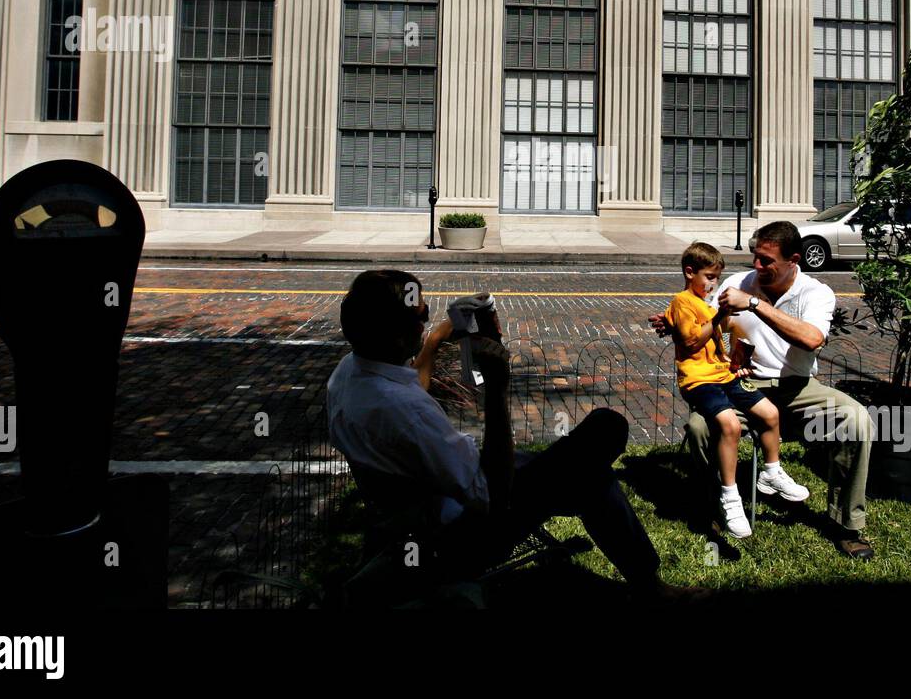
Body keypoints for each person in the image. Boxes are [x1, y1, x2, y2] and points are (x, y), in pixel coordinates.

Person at [327, 269, 687, 601]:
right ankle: (650, 585)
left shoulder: (351, 373)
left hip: (423, 507)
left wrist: (436, 340)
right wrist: (498, 388)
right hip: (466, 530)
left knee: (591, 475)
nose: (426, 320)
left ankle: (645, 579)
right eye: (421, 315)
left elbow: (410, 388)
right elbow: (492, 493)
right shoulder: (406, 412)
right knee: (606, 429)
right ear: (395, 333)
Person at [651, 221, 876, 560]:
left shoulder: (815, 292)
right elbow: (709, 320)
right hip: (741, 384)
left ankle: (847, 524)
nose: (757, 266)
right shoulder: (738, 283)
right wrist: (675, 324)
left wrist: (755, 305)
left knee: (856, 419)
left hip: (797, 387)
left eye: (767, 260)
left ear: (793, 259)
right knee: (700, 428)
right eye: (755, 257)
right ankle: (716, 507)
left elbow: (812, 339)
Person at [666, 242, 808, 539]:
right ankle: (730, 495)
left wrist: (732, 357)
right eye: (708, 277)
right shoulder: (682, 301)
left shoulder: (704, 303)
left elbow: (711, 341)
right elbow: (692, 342)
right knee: (730, 424)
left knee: (770, 412)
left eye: (717, 278)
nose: (713, 284)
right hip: (699, 381)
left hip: (722, 374)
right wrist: (717, 315)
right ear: (689, 272)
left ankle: (771, 472)